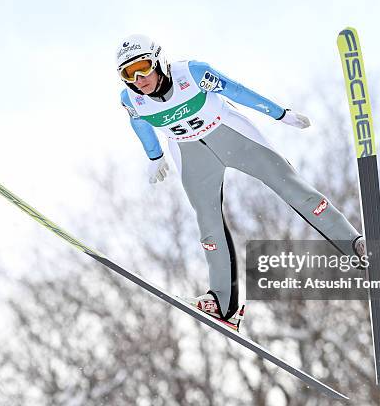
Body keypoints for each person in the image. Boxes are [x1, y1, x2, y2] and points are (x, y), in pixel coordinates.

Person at [117, 34, 365, 332]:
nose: (139, 79)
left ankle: (354, 244)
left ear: (159, 61)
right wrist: (155, 156)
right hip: (191, 153)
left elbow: (237, 91)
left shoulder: (192, 73)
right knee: (207, 223)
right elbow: (139, 123)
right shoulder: (131, 98)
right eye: (128, 73)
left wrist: (280, 114)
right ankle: (223, 304)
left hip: (232, 136)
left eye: (143, 67)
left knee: (291, 187)